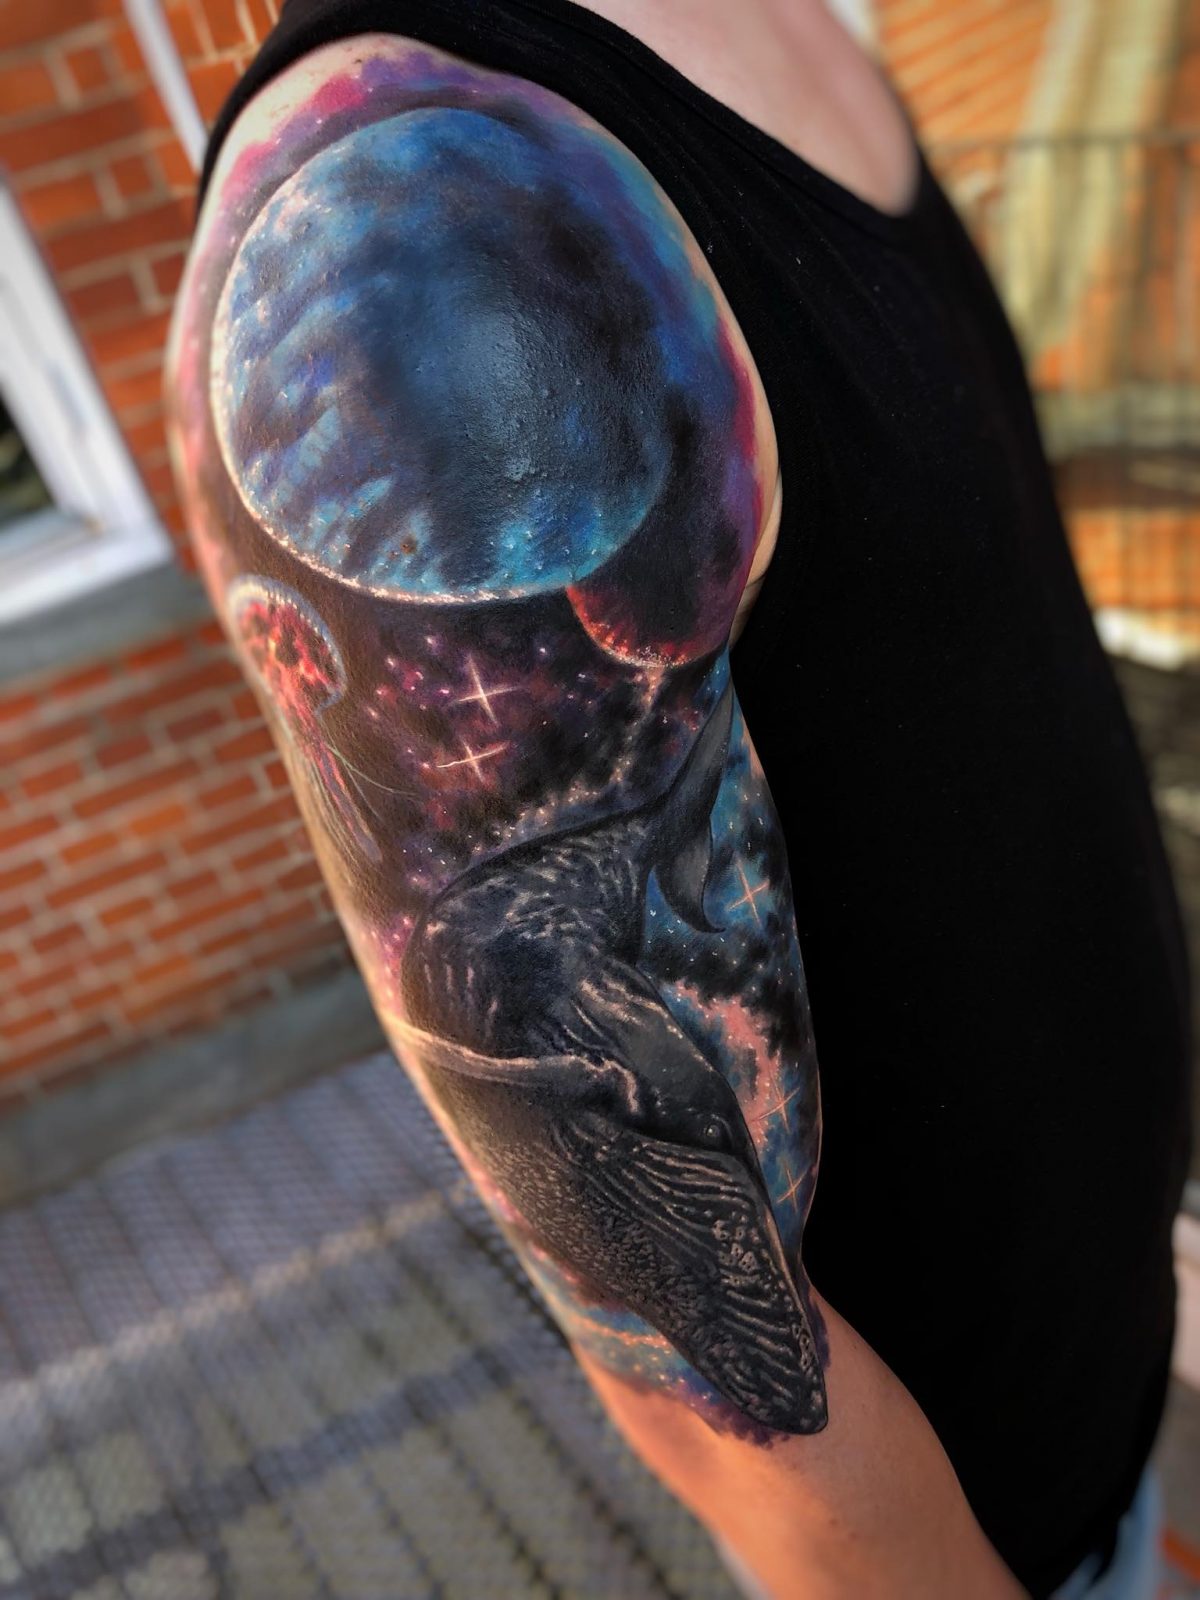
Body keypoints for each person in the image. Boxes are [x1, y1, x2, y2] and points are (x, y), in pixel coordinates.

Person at [167, 2, 1192, 1595]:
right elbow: (710, 1385)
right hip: (978, 1531)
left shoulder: (763, 20)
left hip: (1109, 1355)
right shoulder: (417, 244)